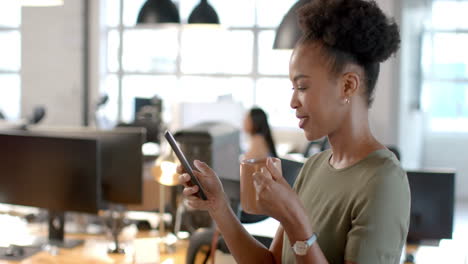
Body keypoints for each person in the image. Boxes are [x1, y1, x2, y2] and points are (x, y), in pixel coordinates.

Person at [178, 0, 410, 263]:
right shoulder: (314, 167)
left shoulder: (384, 181)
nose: (293, 102)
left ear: (347, 86)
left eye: (303, 87)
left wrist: (295, 222)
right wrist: (218, 206)